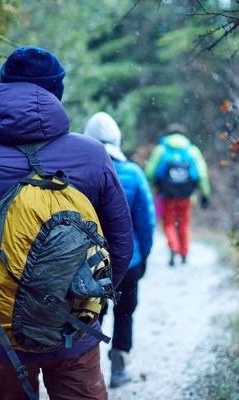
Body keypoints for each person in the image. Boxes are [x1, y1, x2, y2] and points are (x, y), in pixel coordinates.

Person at [0, 47, 134, 400]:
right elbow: (120, 240)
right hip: (75, 326)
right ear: (56, 93)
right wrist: (88, 297)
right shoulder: (92, 155)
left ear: (2, 88)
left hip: (1, 329)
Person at [83, 112, 155, 388]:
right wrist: (144, 254)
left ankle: (88, 374)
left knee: (89, 315)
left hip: (89, 264)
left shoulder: (79, 174)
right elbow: (145, 222)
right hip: (129, 262)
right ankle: (119, 367)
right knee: (125, 312)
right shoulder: (134, 174)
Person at [145, 124, 210, 266]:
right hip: (187, 195)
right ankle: (184, 253)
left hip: (166, 194)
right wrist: (205, 194)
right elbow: (202, 173)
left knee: (168, 222)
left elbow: (149, 172)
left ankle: (173, 247)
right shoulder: (192, 150)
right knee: (184, 223)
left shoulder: (161, 149)